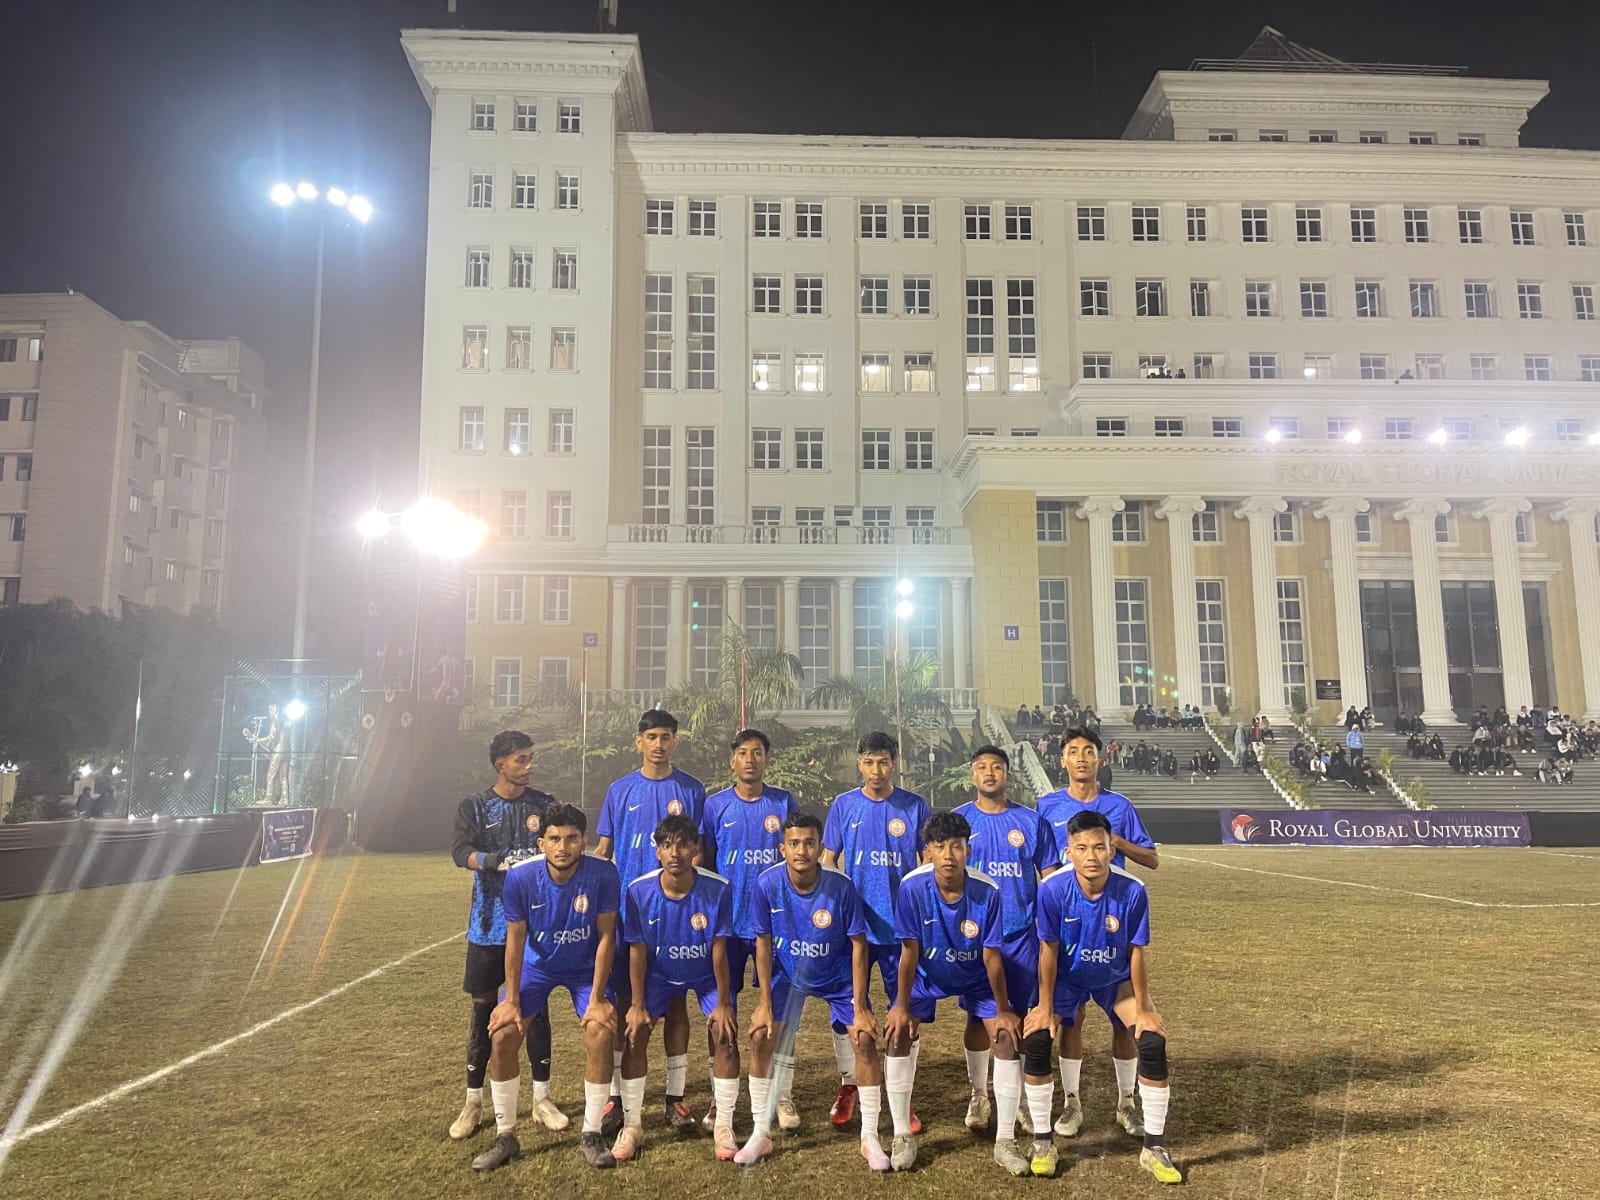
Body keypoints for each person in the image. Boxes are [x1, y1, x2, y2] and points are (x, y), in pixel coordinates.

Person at [1023, 811, 1182, 1184]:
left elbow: (1136, 952)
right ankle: (1044, 1141)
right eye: (1081, 848)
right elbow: (1048, 951)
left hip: (1114, 979)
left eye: (1099, 847)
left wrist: (1145, 1008)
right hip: (1066, 980)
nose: (1091, 855)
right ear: (1069, 852)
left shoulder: (1133, 890)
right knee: (1038, 1039)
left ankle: (1153, 1146)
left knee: (1152, 1040)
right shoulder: (1052, 889)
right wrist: (1044, 1006)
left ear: (1112, 850)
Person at [473, 804, 621, 1172]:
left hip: (584, 969)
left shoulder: (603, 873)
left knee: (601, 1031)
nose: (563, 846)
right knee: (503, 1034)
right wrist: (511, 999)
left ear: (584, 841)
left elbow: (606, 936)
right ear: (542, 843)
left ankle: (591, 1133)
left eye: (571, 838)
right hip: (536, 967)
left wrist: (598, 998)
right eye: (554, 838)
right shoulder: (521, 877)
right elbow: (515, 939)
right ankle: (505, 1136)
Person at [735, 812, 884, 1169]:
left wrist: (860, 1006)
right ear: (782, 848)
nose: (801, 850)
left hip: (837, 976)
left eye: (809, 843)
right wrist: (764, 1003)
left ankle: (871, 1137)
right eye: (794, 843)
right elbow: (763, 943)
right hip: (788, 975)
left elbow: (859, 945)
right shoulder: (767, 884)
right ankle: (760, 1132)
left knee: (864, 1038)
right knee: (761, 1035)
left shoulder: (841, 886)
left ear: (819, 847)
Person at [884, 811, 1026, 1175]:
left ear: (968, 851)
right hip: (927, 974)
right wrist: (901, 1005)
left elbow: (992, 956)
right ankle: (902, 1134)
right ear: (928, 850)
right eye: (940, 846)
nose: (949, 855)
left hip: (976, 977)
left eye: (957, 847)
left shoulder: (987, 890)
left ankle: (1005, 1140)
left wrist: (1004, 1009)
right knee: (898, 1034)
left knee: (1006, 1039)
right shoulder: (912, 887)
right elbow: (909, 952)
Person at [1036, 726, 1158, 1140]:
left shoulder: (1119, 806)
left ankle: (1127, 1102)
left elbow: (1151, 859)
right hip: (1067, 922)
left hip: (1111, 924)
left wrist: (1115, 842)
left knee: (1124, 1023)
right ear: (1063, 761)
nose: (1082, 758)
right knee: (1071, 1021)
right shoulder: (1046, 805)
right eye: (1073, 751)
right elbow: (1042, 861)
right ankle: (1072, 1103)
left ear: (1100, 759)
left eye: (1089, 751)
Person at [595, 710, 707, 1130]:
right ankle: (616, 1098)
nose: (659, 744)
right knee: (626, 1004)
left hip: (678, 915)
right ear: (638, 741)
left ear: (675, 741)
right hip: (630, 915)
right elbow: (604, 850)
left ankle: (676, 1097)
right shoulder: (620, 789)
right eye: (652, 737)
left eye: (666, 737)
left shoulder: (692, 789)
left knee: (676, 1003)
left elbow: (701, 853)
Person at [449, 731, 562, 1143]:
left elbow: (559, 846)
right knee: (483, 1012)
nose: (529, 766)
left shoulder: (544, 804)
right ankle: (473, 1101)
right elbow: (460, 853)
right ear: (500, 764)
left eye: (530, 758)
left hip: (535, 928)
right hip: (488, 926)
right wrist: (495, 861)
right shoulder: (476, 806)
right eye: (521, 759)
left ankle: (542, 1098)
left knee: (536, 1010)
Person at [821, 732, 930, 1133]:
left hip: (902, 930)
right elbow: (828, 862)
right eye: (869, 762)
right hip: (855, 930)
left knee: (907, 1011)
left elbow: (927, 864)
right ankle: (849, 1084)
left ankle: (903, 1097)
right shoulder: (844, 805)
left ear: (894, 763)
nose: (877, 770)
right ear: (859, 763)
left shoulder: (914, 806)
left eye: (883, 762)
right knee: (847, 1010)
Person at [617, 815, 739, 1162]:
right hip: (659, 975)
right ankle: (632, 1125)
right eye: (667, 845)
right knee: (635, 1033)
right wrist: (637, 1004)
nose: (675, 853)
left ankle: (724, 1124)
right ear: (657, 851)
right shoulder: (638, 890)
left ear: (695, 849)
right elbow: (637, 950)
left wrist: (723, 1003)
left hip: (704, 975)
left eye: (683, 845)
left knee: (725, 1033)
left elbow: (719, 950)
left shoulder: (718, 888)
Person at [952, 747, 1057, 1138]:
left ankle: (1022, 1100)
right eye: (981, 767)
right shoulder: (961, 821)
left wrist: (1047, 928)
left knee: (1024, 1016)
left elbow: (1049, 877)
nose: (989, 773)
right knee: (977, 1017)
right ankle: (979, 1093)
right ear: (972, 776)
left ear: (1008, 775)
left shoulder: (1031, 821)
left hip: (1021, 935)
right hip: (976, 937)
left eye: (997, 767)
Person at [698, 729, 799, 1132]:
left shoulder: (783, 802)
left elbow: (795, 856)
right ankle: (718, 1096)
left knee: (779, 1012)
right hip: (727, 925)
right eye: (743, 753)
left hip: (775, 925)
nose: (751, 760)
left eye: (758, 753)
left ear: (767, 759)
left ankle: (782, 1094)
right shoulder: (715, 805)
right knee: (721, 1013)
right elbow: (706, 861)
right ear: (732, 761)